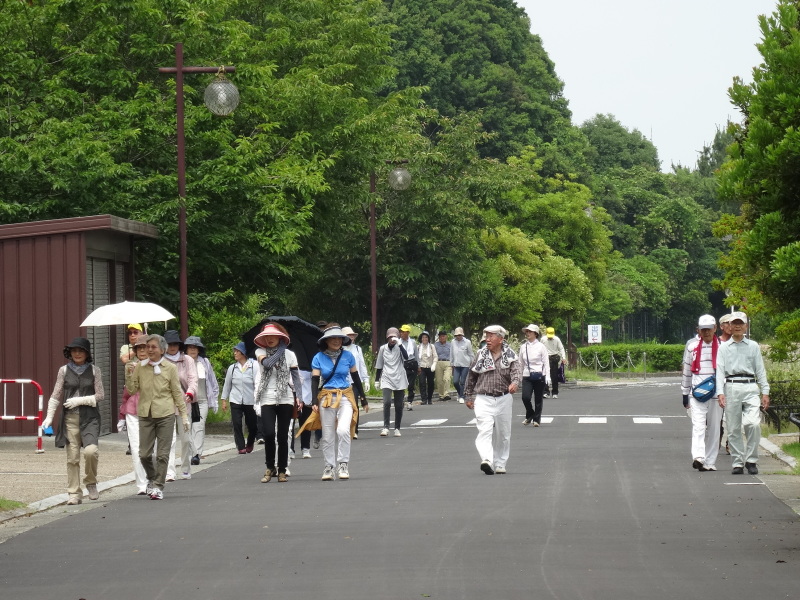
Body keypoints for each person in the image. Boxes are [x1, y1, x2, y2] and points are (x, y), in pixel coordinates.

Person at [124, 334, 189, 500]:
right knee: (144, 454)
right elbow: (132, 390)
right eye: (147, 347)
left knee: (162, 454)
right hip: (145, 414)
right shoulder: (139, 367)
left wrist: (183, 415)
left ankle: (158, 486)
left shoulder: (170, 368)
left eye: (153, 347)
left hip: (166, 414)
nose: (149, 350)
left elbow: (176, 392)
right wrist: (129, 375)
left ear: (162, 350)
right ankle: (153, 479)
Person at [42, 337, 105, 505]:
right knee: (73, 458)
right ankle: (74, 493)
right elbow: (56, 394)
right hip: (70, 419)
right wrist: (49, 417)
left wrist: (79, 400)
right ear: (69, 353)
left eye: (81, 351)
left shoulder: (94, 371)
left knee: (91, 451)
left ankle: (91, 482)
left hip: (90, 418)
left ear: (87, 353)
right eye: (74, 350)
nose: (77, 353)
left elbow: (100, 395)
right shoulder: (63, 371)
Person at [302, 324, 368, 481]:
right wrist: (314, 401)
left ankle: (343, 464)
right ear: (326, 341)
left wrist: (363, 398)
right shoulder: (318, 358)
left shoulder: (348, 356)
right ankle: (329, 467)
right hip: (326, 398)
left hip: (345, 395)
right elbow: (315, 379)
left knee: (343, 430)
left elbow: (356, 377)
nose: (337, 341)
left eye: (339, 338)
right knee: (328, 435)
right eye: (333, 338)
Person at [716, 312, 770, 475]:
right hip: (731, 386)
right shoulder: (724, 347)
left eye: (741, 323)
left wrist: (765, 391)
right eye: (735, 323)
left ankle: (752, 460)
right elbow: (719, 371)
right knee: (733, 428)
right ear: (729, 326)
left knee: (752, 424)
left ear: (746, 326)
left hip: (750, 386)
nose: (738, 326)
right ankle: (738, 462)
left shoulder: (753, 346)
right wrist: (720, 392)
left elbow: (760, 370)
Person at [464, 325, 522, 475]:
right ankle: (487, 460)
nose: (487, 339)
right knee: (485, 430)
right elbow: (471, 376)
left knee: (503, 433)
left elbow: (517, 371)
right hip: (484, 399)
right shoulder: (480, 355)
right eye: (486, 336)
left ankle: (501, 463)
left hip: (504, 398)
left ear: (501, 339)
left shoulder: (510, 355)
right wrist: (468, 395)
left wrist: (515, 383)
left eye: (491, 336)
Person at [253, 323, 302, 483]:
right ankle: (269, 467)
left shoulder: (290, 355)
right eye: (267, 336)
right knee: (268, 433)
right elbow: (267, 364)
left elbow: (296, 377)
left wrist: (299, 397)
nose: (270, 339)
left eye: (274, 336)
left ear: (280, 337)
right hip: (266, 396)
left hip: (285, 397)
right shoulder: (260, 352)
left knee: (282, 435)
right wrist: (281, 349)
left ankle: (282, 469)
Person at [681, 314, 722, 472]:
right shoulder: (692, 347)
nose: (706, 333)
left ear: (715, 328)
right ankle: (698, 457)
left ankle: (709, 462)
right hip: (697, 393)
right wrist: (685, 393)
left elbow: (726, 371)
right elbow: (687, 371)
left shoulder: (723, 347)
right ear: (698, 330)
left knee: (714, 428)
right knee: (698, 426)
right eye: (703, 330)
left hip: (716, 394)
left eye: (709, 329)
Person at [162, 330, 198, 481]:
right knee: (168, 439)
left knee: (186, 439)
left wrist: (190, 393)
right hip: (166, 403)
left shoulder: (187, 360)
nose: (172, 347)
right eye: (169, 344)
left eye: (175, 344)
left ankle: (185, 468)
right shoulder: (160, 361)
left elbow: (193, 379)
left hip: (184, 403)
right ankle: (169, 471)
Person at [118, 335, 150, 495]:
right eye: (139, 348)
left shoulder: (157, 365)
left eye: (144, 347)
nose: (142, 351)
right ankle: (141, 484)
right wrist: (121, 414)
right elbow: (129, 390)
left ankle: (152, 476)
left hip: (152, 409)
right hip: (133, 409)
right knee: (137, 447)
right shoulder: (130, 365)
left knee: (151, 448)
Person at [183, 336, 219, 466]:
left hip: (202, 399)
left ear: (199, 349)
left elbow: (212, 382)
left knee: (199, 426)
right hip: (186, 400)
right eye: (190, 347)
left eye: (195, 347)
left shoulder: (205, 362)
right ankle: (191, 452)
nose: (193, 350)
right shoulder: (182, 362)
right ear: (186, 349)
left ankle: (196, 454)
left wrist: (214, 400)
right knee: (187, 427)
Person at [221, 342, 259, 455]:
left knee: (252, 425)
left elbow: (258, 383)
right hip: (235, 399)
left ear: (243, 353)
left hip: (250, 399)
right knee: (236, 423)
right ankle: (241, 446)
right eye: (235, 351)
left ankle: (250, 442)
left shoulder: (254, 366)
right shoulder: (232, 368)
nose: (235, 353)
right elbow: (227, 385)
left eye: (237, 351)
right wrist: (224, 400)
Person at [375, 327, 408, 437]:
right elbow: (379, 365)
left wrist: (400, 345)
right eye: (390, 337)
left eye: (394, 337)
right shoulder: (383, 349)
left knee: (399, 405)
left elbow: (407, 357)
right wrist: (376, 380)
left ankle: (397, 428)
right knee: (387, 402)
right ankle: (385, 427)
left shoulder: (400, 347)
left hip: (399, 377)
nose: (392, 339)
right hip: (386, 377)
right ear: (387, 338)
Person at [519, 324, 550, 426]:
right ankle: (530, 413)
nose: (527, 333)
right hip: (527, 375)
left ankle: (536, 419)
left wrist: (547, 376)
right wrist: (519, 377)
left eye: (530, 332)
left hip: (539, 374)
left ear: (535, 334)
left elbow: (546, 362)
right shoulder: (523, 347)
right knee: (525, 397)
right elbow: (520, 363)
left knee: (538, 398)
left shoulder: (541, 347)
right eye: (526, 331)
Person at [342, 326, 369, 438]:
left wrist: (366, 379)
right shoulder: (340, 349)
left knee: (354, 406)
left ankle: (355, 429)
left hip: (354, 381)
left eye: (352, 335)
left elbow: (361, 365)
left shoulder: (357, 349)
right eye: (349, 335)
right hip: (342, 381)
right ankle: (344, 428)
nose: (351, 337)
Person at [451, 327, 475, 404]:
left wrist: (472, 364)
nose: (458, 336)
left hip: (465, 364)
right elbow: (451, 353)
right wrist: (451, 364)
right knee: (455, 381)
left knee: (462, 382)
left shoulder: (467, 342)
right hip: (456, 364)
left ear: (462, 334)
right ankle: (461, 393)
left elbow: (471, 354)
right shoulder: (453, 342)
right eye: (457, 335)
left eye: (460, 335)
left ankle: (461, 396)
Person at [542, 327, 566, 398]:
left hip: (554, 358)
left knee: (554, 376)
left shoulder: (557, 339)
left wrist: (563, 358)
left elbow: (561, 348)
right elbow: (539, 348)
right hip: (545, 357)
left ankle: (555, 392)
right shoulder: (543, 339)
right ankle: (546, 392)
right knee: (545, 375)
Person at [399, 324, 418, 410]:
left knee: (411, 384)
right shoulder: (398, 342)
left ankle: (410, 401)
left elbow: (416, 354)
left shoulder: (413, 342)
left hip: (412, 363)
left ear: (408, 333)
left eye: (404, 332)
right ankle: (401, 400)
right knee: (402, 383)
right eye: (401, 332)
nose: (402, 333)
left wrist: (419, 366)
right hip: (403, 364)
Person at [417, 331, 437, 405]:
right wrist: (418, 366)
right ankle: (424, 399)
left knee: (430, 383)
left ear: (428, 338)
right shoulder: (418, 347)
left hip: (430, 367)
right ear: (421, 339)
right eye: (423, 337)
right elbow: (417, 358)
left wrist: (434, 364)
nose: (424, 339)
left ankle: (429, 398)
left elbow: (435, 356)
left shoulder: (432, 346)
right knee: (422, 383)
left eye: (426, 337)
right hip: (421, 367)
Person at [434, 330, 452, 401]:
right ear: (439, 337)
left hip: (448, 362)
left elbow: (452, 354)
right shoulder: (435, 345)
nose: (442, 338)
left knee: (446, 378)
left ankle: (446, 394)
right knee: (439, 380)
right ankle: (441, 395)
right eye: (440, 336)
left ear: (446, 337)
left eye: (443, 336)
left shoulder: (450, 345)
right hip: (438, 362)